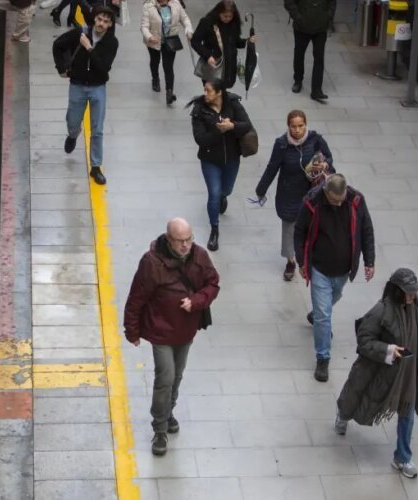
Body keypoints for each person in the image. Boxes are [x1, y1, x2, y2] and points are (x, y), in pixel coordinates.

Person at [123, 218, 220, 457]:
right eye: (180, 241)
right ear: (169, 240)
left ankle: (168, 411)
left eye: (189, 239)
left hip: (186, 330)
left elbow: (213, 283)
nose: (186, 245)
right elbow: (136, 298)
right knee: (165, 376)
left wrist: (196, 301)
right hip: (161, 331)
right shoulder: (151, 263)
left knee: (177, 375)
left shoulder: (199, 256)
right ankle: (160, 429)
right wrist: (132, 330)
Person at [335, 268, 418, 479]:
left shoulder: (417, 310)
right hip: (379, 370)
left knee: (407, 413)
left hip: (407, 374)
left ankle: (403, 457)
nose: (412, 295)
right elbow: (365, 340)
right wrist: (388, 350)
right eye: (408, 291)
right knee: (356, 395)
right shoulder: (381, 311)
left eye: (413, 291)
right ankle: (342, 415)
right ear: (397, 291)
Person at [294, 173, 375, 382]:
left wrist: (369, 261)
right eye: (334, 200)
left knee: (331, 301)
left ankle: (318, 316)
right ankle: (323, 358)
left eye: (341, 199)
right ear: (325, 192)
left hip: (344, 270)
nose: (338, 204)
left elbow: (366, 229)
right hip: (320, 268)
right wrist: (301, 262)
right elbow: (300, 231)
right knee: (324, 316)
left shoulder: (356, 201)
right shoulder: (312, 202)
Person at [254, 109, 334, 281]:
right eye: (293, 126)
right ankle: (291, 261)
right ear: (288, 126)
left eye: (301, 126)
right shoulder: (281, 144)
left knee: (312, 226)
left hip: (312, 193)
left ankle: (309, 256)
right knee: (289, 229)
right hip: (289, 192)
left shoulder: (316, 139)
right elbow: (272, 167)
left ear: (305, 125)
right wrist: (261, 189)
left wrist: (324, 165)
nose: (297, 130)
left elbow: (329, 158)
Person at [52, 5, 119, 185]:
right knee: (73, 121)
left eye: (106, 21)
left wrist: (89, 48)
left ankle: (96, 166)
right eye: (99, 19)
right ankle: (73, 135)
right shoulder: (79, 33)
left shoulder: (112, 43)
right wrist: (62, 68)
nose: (101, 24)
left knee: (97, 129)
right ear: (94, 19)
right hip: (77, 85)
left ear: (110, 24)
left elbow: (104, 69)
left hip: (98, 87)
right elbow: (57, 45)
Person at [186, 79, 253, 251]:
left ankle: (223, 197)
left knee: (227, 190)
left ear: (219, 92)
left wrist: (232, 126)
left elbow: (247, 125)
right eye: (205, 90)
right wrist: (219, 131)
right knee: (214, 194)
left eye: (208, 90)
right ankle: (214, 229)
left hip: (232, 158)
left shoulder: (233, 103)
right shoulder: (199, 110)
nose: (205, 93)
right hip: (210, 160)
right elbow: (200, 139)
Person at [141, 0, 194, 105]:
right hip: (154, 41)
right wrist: (149, 36)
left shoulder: (176, 4)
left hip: (170, 41)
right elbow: (144, 26)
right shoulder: (148, 6)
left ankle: (169, 92)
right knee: (155, 61)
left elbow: (185, 19)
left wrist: (189, 30)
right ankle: (155, 78)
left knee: (168, 67)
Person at [190, 0, 252, 89]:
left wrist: (247, 41)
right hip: (213, 66)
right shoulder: (207, 23)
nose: (227, 18)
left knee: (223, 94)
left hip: (229, 69)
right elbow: (195, 41)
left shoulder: (233, 24)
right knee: (213, 96)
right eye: (225, 16)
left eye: (230, 16)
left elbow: (235, 41)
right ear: (218, 12)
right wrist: (208, 56)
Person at [284, 0, 336, 102]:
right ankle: (298, 80)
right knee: (299, 53)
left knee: (319, 58)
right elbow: (289, 2)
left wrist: (327, 16)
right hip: (302, 26)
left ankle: (316, 90)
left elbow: (332, 3)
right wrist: (298, 17)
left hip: (320, 27)